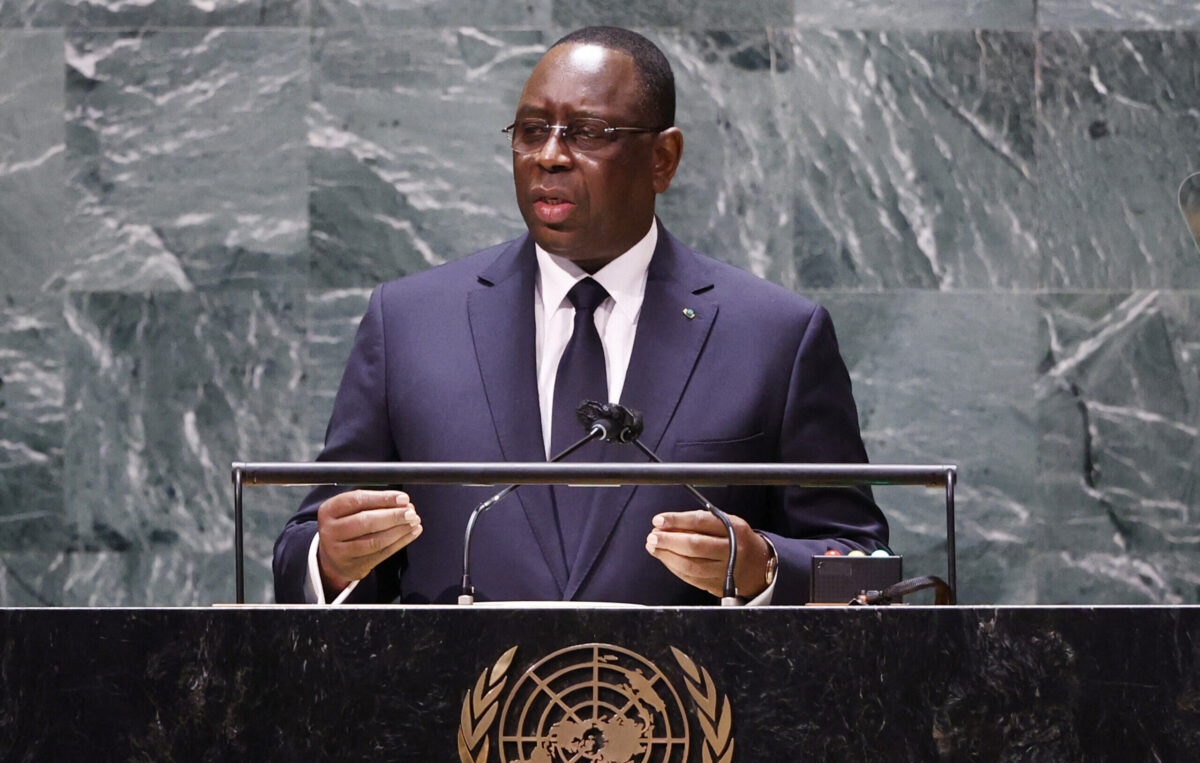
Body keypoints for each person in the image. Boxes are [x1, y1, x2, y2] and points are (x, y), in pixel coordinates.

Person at [273, 26, 888, 606]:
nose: (550, 156)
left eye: (587, 132)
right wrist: (331, 561)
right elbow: (309, 541)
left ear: (662, 159)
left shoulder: (775, 334)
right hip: (457, 706)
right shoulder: (409, 322)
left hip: (682, 711)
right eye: (532, 130)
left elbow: (863, 563)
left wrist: (765, 568)